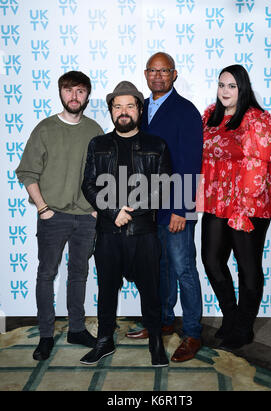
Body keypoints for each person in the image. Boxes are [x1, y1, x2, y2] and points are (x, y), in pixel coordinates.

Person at [80, 81, 172, 367]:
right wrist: (112, 211)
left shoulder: (156, 145)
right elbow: (89, 185)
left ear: (139, 110)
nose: (123, 111)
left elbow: (164, 187)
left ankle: (156, 343)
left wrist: (131, 212)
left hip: (143, 233)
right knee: (106, 291)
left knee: (151, 291)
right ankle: (104, 341)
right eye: (117, 106)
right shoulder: (98, 144)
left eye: (130, 105)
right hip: (107, 233)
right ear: (110, 111)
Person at [196, 64, 271, 350]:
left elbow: (259, 162)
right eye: (222, 84)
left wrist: (245, 207)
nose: (225, 91)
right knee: (211, 259)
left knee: (247, 265)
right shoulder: (210, 115)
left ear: (242, 88)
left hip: (250, 197)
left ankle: (244, 326)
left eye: (232, 86)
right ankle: (230, 316)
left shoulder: (256, 119)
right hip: (218, 198)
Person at [16, 71, 103, 361]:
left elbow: (103, 175)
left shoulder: (94, 130)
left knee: (79, 274)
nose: (74, 96)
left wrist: (95, 209)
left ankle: (76, 328)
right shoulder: (45, 129)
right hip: (53, 217)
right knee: (47, 274)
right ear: (60, 93)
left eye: (80, 91)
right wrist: (43, 208)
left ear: (87, 96)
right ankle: (45, 335)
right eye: (69, 90)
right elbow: (27, 172)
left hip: (86, 218)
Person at [126, 52, 204, 363]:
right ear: (146, 74)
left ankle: (194, 332)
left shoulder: (186, 111)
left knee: (183, 269)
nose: (158, 76)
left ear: (174, 74)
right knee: (159, 269)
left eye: (164, 71)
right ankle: (163, 321)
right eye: (153, 71)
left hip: (175, 208)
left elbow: (190, 163)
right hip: (149, 208)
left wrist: (181, 209)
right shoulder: (140, 109)